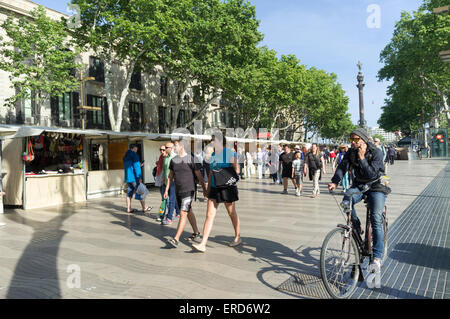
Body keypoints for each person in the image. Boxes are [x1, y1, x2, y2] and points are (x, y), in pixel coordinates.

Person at [328, 128, 388, 272]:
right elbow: (342, 167)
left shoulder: (376, 152)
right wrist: (335, 182)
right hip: (359, 185)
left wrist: (362, 158)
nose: (353, 143)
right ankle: (357, 226)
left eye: (355, 140)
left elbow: (372, 173)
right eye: (351, 140)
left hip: (376, 186)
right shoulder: (351, 152)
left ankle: (377, 257)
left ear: (364, 140)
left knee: (375, 218)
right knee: (346, 200)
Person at [192, 135, 241, 253]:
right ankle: (203, 243)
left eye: (213, 140)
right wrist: (207, 189)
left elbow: (237, 170)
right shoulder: (213, 155)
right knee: (209, 215)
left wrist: (222, 173)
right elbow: (210, 173)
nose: (211, 142)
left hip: (227, 187)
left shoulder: (229, 153)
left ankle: (238, 236)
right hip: (214, 187)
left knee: (231, 213)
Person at [165, 138, 207, 248]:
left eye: (176, 145)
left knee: (183, 213)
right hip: (178, 190)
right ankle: (196, 232)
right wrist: (166, 190)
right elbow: (170, 176)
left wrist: (204, 189)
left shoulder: (191, 159)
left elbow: (199, 176)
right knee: (188, 211)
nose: (174, 147)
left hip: (189, 190)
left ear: (181, 146)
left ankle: (176, 239)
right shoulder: (174, 160)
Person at [123, 144, 151, 213]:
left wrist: (139, 164)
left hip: (128, 177)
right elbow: (136, 167)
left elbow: (131, 166)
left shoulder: (126, 155)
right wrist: (139, 177)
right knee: (140, 191)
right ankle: (144, 208)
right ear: (134, 148)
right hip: (134, 178)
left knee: (129, 193)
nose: (137, 150)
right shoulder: (135, 155)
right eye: (136, 148)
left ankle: (129, 209)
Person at [161, 142, 180, 225]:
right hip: (166, 182)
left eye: (166, 147)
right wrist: (163, 178)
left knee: (172, 200)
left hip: (173, 182)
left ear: (172, 148)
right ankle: (178, 213)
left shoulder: (176, 157)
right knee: (172, 199)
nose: (165, 149)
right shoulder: (166, 158)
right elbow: (164, 170)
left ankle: (169, 218)